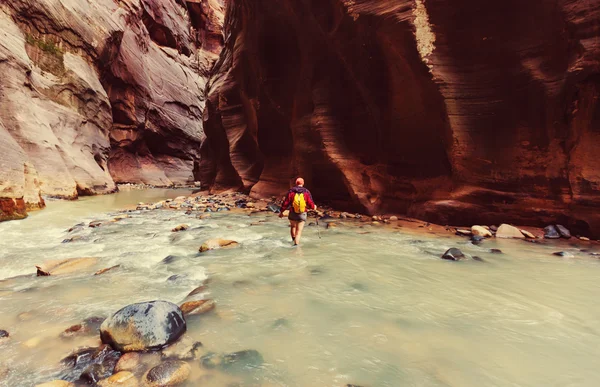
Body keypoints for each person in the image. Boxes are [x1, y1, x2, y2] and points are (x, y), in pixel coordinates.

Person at [279, 177, 317, 246]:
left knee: (293, 226)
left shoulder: (291, 191)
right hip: (302, 214)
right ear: (303, 183)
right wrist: (314, 207)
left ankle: (293, 240)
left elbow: (286, 203)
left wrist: (281, 212)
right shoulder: (306, 192)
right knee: (298, 231)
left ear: (296, 183)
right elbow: (310, 203)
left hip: (292, 212)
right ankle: (296, 245)